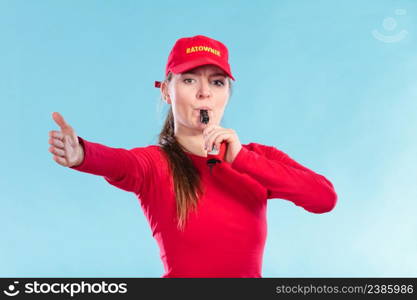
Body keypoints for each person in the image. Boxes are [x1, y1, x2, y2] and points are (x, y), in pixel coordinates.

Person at [48, 35, 338, 278]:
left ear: (227, 93)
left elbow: (324, 198)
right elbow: (119, 162)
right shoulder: (155, 164)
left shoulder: (259, 158)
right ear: (166, 91)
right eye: (188, 80)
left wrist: (242, 160)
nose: (204, 93)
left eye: (217, 82)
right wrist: (82, 153)